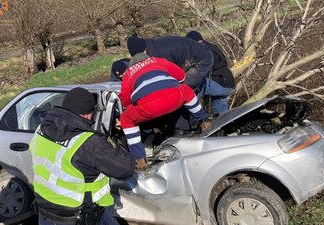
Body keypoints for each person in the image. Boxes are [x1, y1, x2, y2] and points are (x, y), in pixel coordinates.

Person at [30, 87, 136, 225]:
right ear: (88, 114)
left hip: (45, 213)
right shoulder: (90, 143)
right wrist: (111, 141)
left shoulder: (42, 129)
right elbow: (126, 167)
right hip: (82, 216)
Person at [118, 53, 212, 169]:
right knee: (186, 90)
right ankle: (204, 122)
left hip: (147, 106)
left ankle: (141, 161)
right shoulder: (158, 60)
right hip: (173, 98)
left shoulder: (129, 72)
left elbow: (125, 101)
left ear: (132, 65)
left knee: (126, 119)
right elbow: (182, 76)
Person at [126, 35, 214, 90]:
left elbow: (173, 73)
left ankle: (196, 116)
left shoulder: (158, 54)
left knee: (185, 88)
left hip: (202, 58)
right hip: (190, 55)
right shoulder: (151, 44)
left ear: (141, 51)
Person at [186, 30, 235, 116]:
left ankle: (193, 116)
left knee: (192, 88)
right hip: (228, 84)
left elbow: (196, 73)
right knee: (221, 109)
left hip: (220, 84)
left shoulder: (201, 51)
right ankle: (224, 123)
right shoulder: (212, 47)